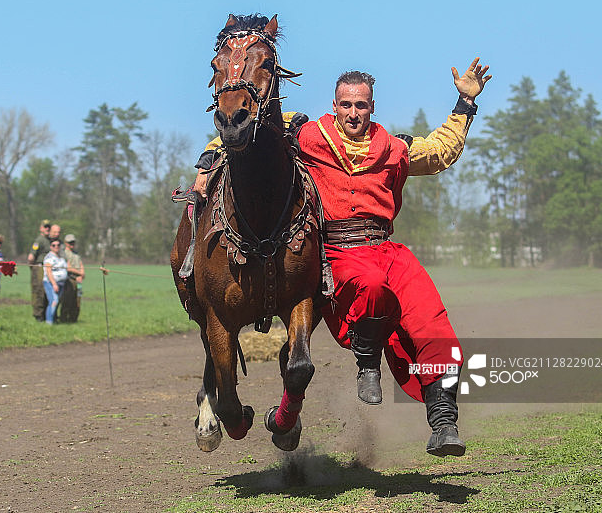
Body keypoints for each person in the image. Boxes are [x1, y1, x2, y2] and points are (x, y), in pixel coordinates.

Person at [193, 58, 491, 457]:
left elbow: (439, 151)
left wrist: (465, 103)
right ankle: (367, 365)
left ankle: (443, 423)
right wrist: (208, 159)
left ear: (372, 107)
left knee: (433, 322)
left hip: (388, 249)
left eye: (361, 105)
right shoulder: (308, 135)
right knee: (370, 288)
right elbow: (249, 124)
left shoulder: (394, 147)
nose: (353, 113)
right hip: (340, 250)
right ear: (335, 105)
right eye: (346, 105)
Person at [27, 220, 51, 321]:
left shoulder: (49, 240)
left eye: (48, 227)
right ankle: (38, 315)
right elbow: (31, 256)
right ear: (41, 228)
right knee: (39, 291)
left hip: (47, 268)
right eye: (45, 227)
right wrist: (33, 268)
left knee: (46, 291)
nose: (47, 229)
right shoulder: (39, 240)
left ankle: (45, 314)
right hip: (39, 267)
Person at [59, 234, 85, 323]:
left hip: (79, 281)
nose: (72, 244)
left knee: (77, 301)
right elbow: (68, 267)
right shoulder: (64, 253)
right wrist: (79, 274)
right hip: (70, 280)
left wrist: (82, 274)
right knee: (67, 300)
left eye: (73, 242)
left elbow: (81, 264)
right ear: (66, 243)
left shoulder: (76, 253)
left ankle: (74, 319)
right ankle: (64, 319)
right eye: (70, 242)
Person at [42, 238, 68, 325]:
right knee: (54, 301)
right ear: (50, 247)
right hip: (51, 283)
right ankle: (49, 322)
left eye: (58, 245)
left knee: (56, 302)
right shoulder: (49, 257)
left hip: (61, 283)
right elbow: (48, 272)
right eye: (54, 245)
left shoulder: (61, 257)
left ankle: (53, 320)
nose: (56, 247)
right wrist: (54, 284)